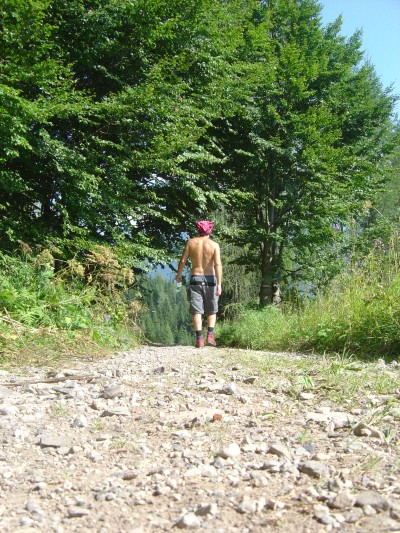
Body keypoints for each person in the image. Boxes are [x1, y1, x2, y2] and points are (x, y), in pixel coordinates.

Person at [176, 220, 222, 348]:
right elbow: (218, 264)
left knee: (197, 311)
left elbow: (183, 260)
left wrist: (178, 275)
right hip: (210, 280)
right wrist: (219, 284)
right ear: (209, 231)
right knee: (211, 310)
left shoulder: (191, 242)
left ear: (199, 230)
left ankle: (199, 340)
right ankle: (211, 337)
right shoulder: (214, 245)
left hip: (195, 278)